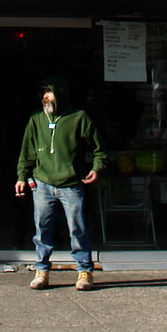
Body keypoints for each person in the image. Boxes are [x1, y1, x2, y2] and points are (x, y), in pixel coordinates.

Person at [15, 76, 107, 291]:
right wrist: (21, 177)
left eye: (50, 92)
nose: (45, 96)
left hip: (71, 183)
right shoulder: (36, 119)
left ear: (61, 94)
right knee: (42, 229)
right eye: (43, 93)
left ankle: (84, 271)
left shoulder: (78, 117)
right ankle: (42, 271)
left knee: (78, 228)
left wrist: (96, 168)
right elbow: (26, 152)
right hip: (42, 183)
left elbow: (99, 147)